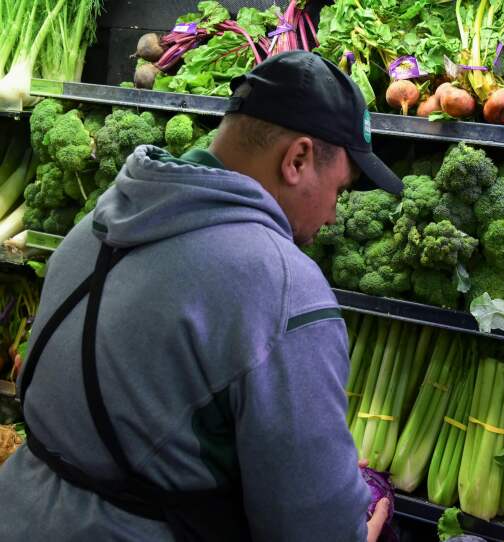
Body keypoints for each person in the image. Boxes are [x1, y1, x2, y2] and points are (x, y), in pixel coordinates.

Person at [0, 51, 403, 541]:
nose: (335, 215)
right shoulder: (282, 285)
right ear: (297, 159)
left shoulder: (95, 227)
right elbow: (313, 526)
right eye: (340, 189)